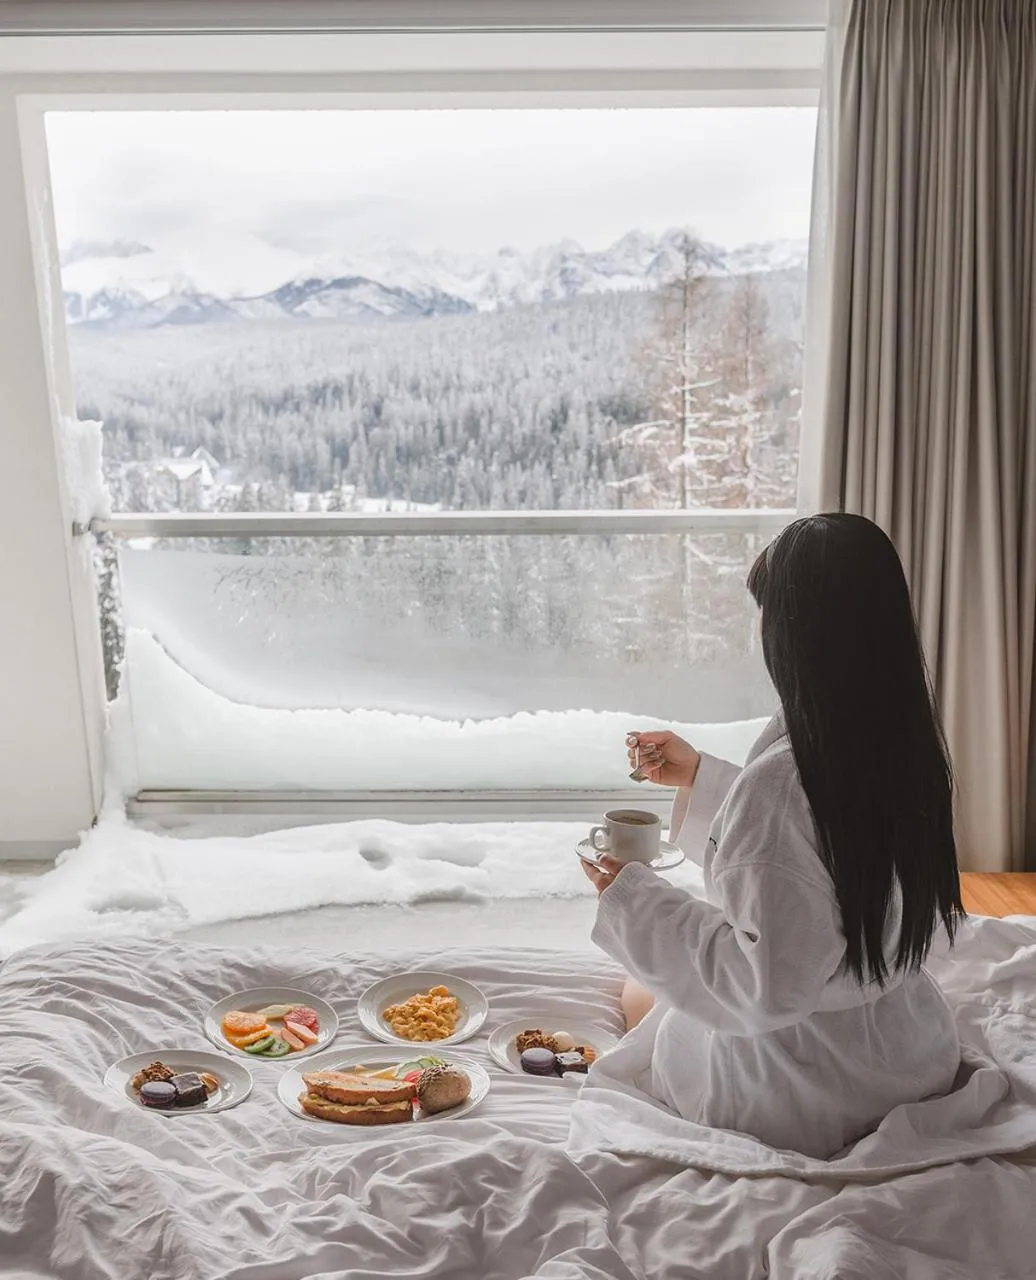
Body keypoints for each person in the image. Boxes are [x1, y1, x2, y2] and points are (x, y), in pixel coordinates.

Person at [582, 513, 965, 1159]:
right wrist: (702, 777)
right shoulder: (897, 733)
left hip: (799, 1092)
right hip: (904, 1052)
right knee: (648, 988)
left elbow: (766, 985)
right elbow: (824, 843)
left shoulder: (783, 786)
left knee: (634, 994)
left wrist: (633, 896)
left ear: (792, 631)